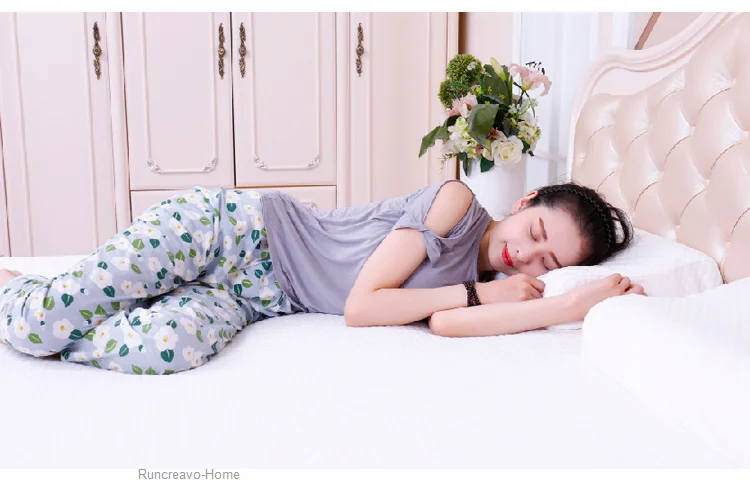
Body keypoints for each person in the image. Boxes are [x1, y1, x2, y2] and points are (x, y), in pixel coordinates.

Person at [0, 180, 644, 375]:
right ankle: (25, 292)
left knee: (167, 347)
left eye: (547, 263)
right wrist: (485, 293)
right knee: (35, 325)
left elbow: (449, 324)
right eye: (535, 232)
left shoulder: (478, 290)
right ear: (526, 202)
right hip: (236, 230)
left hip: (258, 298)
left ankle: (44, 297)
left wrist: (571, 306)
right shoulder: (456, 204)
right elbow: (363, 306)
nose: (525, 256)